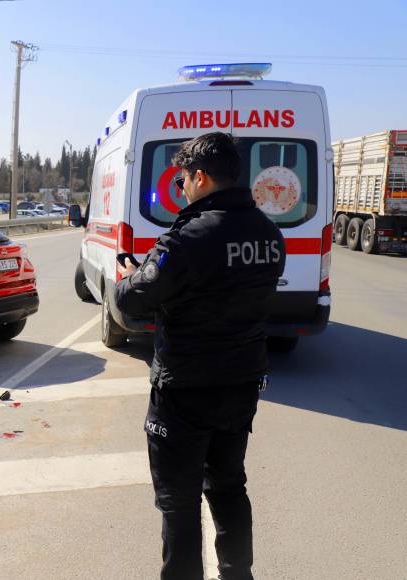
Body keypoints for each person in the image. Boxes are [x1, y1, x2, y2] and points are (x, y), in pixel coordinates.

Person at [114, 132, 285, 580]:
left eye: (184, 180)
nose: (182, 188)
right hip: (241, 385)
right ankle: (237, 574)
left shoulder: (186, 241)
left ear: (201, 177)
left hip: (185, 392)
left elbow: (131, 302)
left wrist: (131, 276)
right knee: (230, 487)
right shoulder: (269, 234)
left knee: (179, 502)